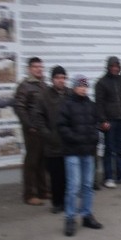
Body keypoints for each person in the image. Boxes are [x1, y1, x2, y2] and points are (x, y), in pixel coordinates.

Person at [57, 75, 103, 237]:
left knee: (87, 186)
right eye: (80, 86)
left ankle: (86, 215)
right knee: (73, 186)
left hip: (88, 152)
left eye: (85, 86)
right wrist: (76, 139)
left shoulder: (91, 105)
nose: (83, 88)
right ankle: (70, 218)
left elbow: (96, 124)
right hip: (72, 153)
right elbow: (62, 127)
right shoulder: (67, 105)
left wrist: (94, 138)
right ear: (75, 87)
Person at [32, 65, 70, 213]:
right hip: (53, 144)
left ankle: (68, 202)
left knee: (68, 176)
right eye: (58, 78)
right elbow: (38, 117)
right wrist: (47, 134)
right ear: (52, 79)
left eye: (63, 78)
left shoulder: (70, 94)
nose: (61, 81)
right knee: (56, 176)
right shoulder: (44, 96)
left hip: (68, 143)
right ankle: (57, 203)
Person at [95, 56, 121, 188]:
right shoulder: (101, 83)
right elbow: (99, 104)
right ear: (108, 67)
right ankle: (108, 178)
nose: (115, 68)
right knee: (109, 150)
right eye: (112, 66)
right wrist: (103, 120)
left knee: (120, 149)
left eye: (117, 66)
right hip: (109, 121)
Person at [14, 56, 48, 205]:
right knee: (32, 162)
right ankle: (29, 194)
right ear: (29, 69)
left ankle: (43, 191)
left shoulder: (43, 85)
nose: (39, 69)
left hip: (43, 129)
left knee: (42, 161)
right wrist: (30, 125)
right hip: (32, 131)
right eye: (35, 67)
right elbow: (19, 108)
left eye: (40, 67)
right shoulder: (25, 86)